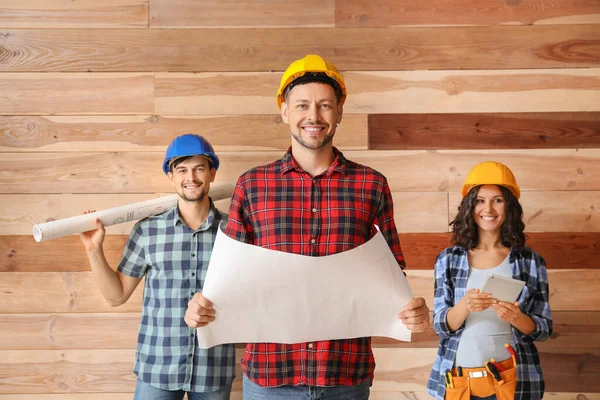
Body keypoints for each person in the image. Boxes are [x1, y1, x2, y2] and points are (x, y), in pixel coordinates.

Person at [185, 54, 430, 399]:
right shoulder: (252, 186)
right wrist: (202, 308)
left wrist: (411, 311)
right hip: (271, 376)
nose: (313, 116)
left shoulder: (371, 185)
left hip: (345, 375)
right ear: (285, 111)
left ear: (339, 111)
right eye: (302, 105)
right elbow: (229, 278)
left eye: (324, 105)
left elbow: (391, 275)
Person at [80, 134, 236, 400]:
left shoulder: (233, 232)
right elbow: (116, 296)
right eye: (182, 170)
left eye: (199, 168)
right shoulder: (148, 231)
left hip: (213, 368)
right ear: (171, 176)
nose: (191, 177)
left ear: (212, 173)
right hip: (158, 367)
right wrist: (94, 250)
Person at [427, 161, 553, 400]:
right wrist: (465, 305)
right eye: (480, 200)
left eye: (498, 200)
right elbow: (440, 326)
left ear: (509, 205)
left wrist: (517, 317)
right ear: (469, 205)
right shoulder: (449, 259)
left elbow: (543, 330)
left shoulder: (530, 261)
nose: (489, 208)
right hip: (459, 381)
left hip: (514, 381)